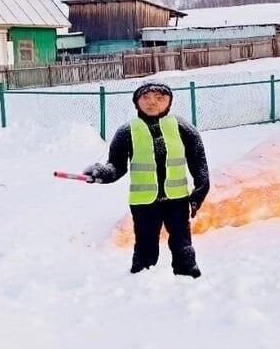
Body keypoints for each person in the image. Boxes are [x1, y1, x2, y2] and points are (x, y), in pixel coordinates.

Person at [84, 81, 210, 278]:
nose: (153, 103)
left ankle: (188, 275)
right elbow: (116, 166)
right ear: (137, 102)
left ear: (169, 102)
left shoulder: (183, 127)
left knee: (182, 242)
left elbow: (198, 162)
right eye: (146, 98)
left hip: (177, 199)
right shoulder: (127, 131)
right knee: (145, 243)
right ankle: (141, 277)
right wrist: (102, 173)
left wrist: (200, 190)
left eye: (160, 98)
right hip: (144, 202)